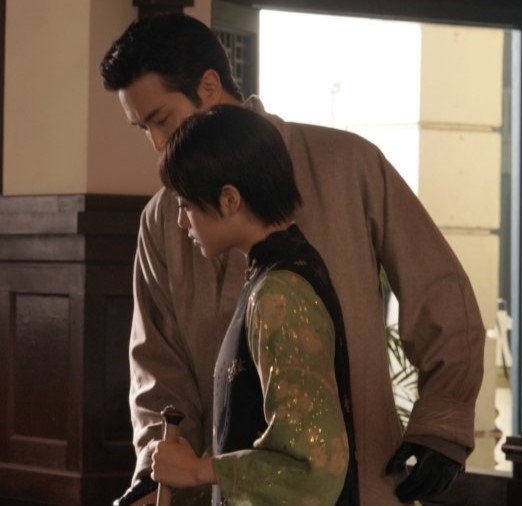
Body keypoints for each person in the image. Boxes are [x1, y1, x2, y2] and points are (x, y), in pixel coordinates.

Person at [99, 13, 484, 506]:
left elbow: (438, 289)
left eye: (161, 120)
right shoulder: (163, 217)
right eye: (142, 129)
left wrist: (443, 422)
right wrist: (160, 475)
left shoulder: (347, 163)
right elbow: (157, 368)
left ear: (209, 87)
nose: (156, 144)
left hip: (358, 483)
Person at [150, 104, 355, 505]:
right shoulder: (280, 273)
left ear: (229, 199)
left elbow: (313, 467)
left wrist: (197, 470)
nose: (181, 223)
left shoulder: (281, 293)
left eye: (186, 206)